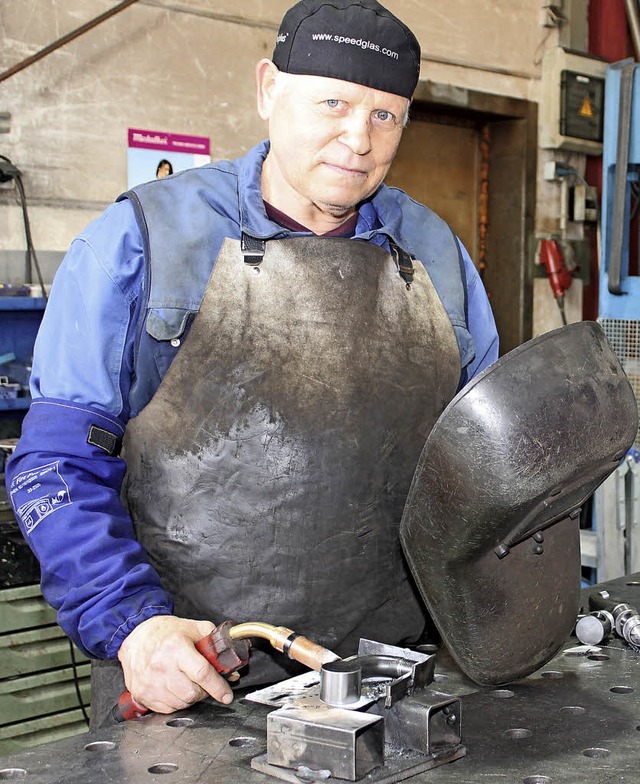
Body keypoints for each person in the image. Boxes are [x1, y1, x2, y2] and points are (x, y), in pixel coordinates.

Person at [6, 0, 498, 723]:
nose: (357, 138)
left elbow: (485, 465)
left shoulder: (438, 257)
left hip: (389, 681)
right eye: (332, 102)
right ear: (268, 89)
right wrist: (132, 625)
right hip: (190, 684)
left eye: (386, 115)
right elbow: (56, 463)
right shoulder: (145, 240)